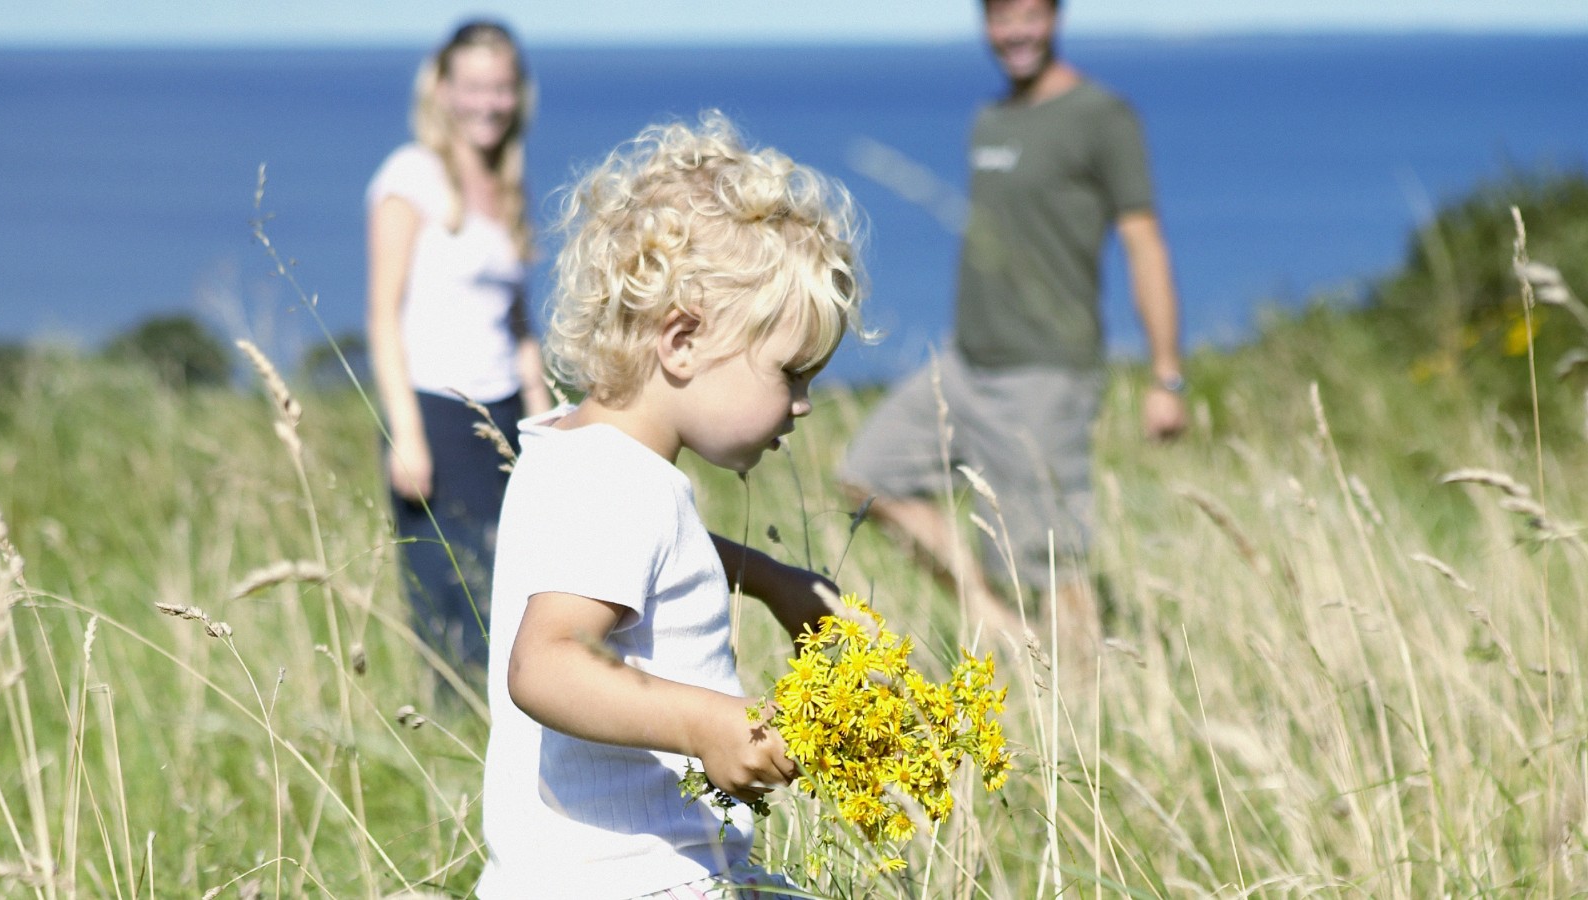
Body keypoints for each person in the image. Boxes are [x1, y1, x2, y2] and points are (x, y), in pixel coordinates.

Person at [477, 113, 865, 898]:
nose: (802, 407)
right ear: (681, 341)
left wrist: (766, 577)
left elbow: (646, 554)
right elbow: (544, 665)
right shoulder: (623, 483)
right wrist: (709, 724)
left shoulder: (573, 450)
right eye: (790, 374)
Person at [839, 0, 1188, 654]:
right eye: (1000, 17)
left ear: (1055, 17)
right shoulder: (990, 118)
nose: (1015, 32)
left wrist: (1166, 376)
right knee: (866, 474)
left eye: (1029, 15)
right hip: (966, 364)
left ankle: (1086, 713)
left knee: (1050, 558)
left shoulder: (1101, 116)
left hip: (1046, 370)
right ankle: (1004, 631)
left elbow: (1145, 243)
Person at [365, 20, 552, 674]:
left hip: (503, 414)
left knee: (512, 592)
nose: (489, 103)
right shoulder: (409, 176)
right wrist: (407, 436)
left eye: (501, 87)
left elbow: (518, 323)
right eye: (474, 87)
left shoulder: (506, 183)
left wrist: (545, 422)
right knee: (449, 602)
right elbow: (383, 319)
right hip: (434, 413)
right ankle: (454, 736)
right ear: (443, 90)